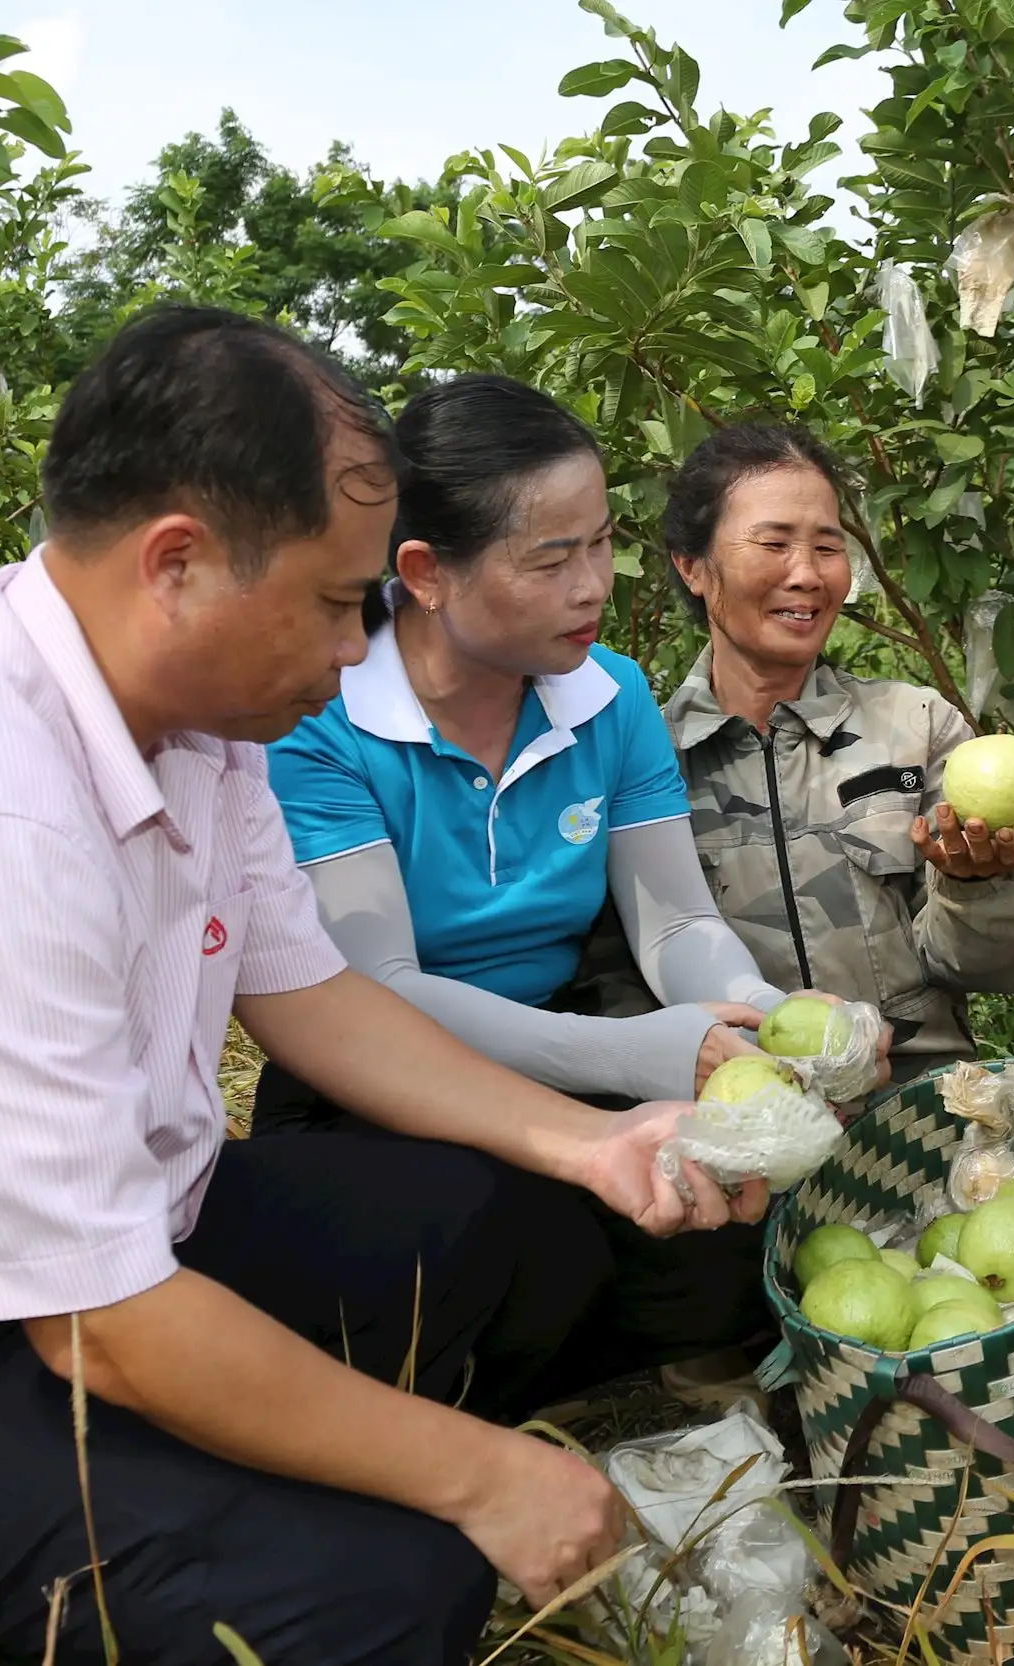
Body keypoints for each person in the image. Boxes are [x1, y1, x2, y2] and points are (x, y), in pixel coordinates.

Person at [0, 307, 763, 1666]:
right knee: (394, 1588)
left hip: (100, 1265)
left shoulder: (199, 734)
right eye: (342, 605)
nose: (356, 653)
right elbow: (105, 1329)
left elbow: (315, 993)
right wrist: (481, 1475)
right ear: (178, 563)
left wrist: (590, 1139)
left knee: (503, 1217)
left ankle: (254, 1481)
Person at [252, 376, 833, 1411]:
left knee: (732, 1221)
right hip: (365, 1079)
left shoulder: (607, 699)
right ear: (425, 573)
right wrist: (635, 1056)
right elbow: (379, 982)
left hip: (557, 1036)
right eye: (550, 557)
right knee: (491, 1226)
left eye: (601, 542)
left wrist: (772, 1018)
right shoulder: (327, 723)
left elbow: (677, 921)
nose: (592, 584)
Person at [662, 423, 1014, 1082]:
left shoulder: (916, 726)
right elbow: (622, 982)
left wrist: (978, 884)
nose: (807, 574)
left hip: (915, 1113)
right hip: (743, 1115)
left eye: (827, 546)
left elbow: (997, 970)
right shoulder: (651, 763)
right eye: (774, 542)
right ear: (693, 566)